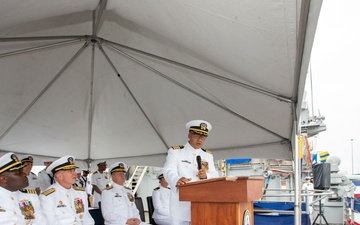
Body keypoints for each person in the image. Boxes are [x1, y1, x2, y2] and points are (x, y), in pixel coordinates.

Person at [163, 120, 219, 225]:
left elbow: (215, 175)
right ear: (189, 135)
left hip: (202, 205)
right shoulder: (175, 152)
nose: (200, 140)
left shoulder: (208, 155)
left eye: (203, 138)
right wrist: (176, 179)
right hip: (181, 208)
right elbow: (168, 170)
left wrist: (207, 175)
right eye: (197, 136)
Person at [39, 155, 94, 225]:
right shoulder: (47, 197)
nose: (75, 173)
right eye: (70, 171)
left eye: (74, 170)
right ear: (59, 176)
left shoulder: (81, 193)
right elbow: (51, 222)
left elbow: (87, 218)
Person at [0, 152, 45, 224]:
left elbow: (40, 222)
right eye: (18, 172)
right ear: (3, 179)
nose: (24, 174)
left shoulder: (31, 197)